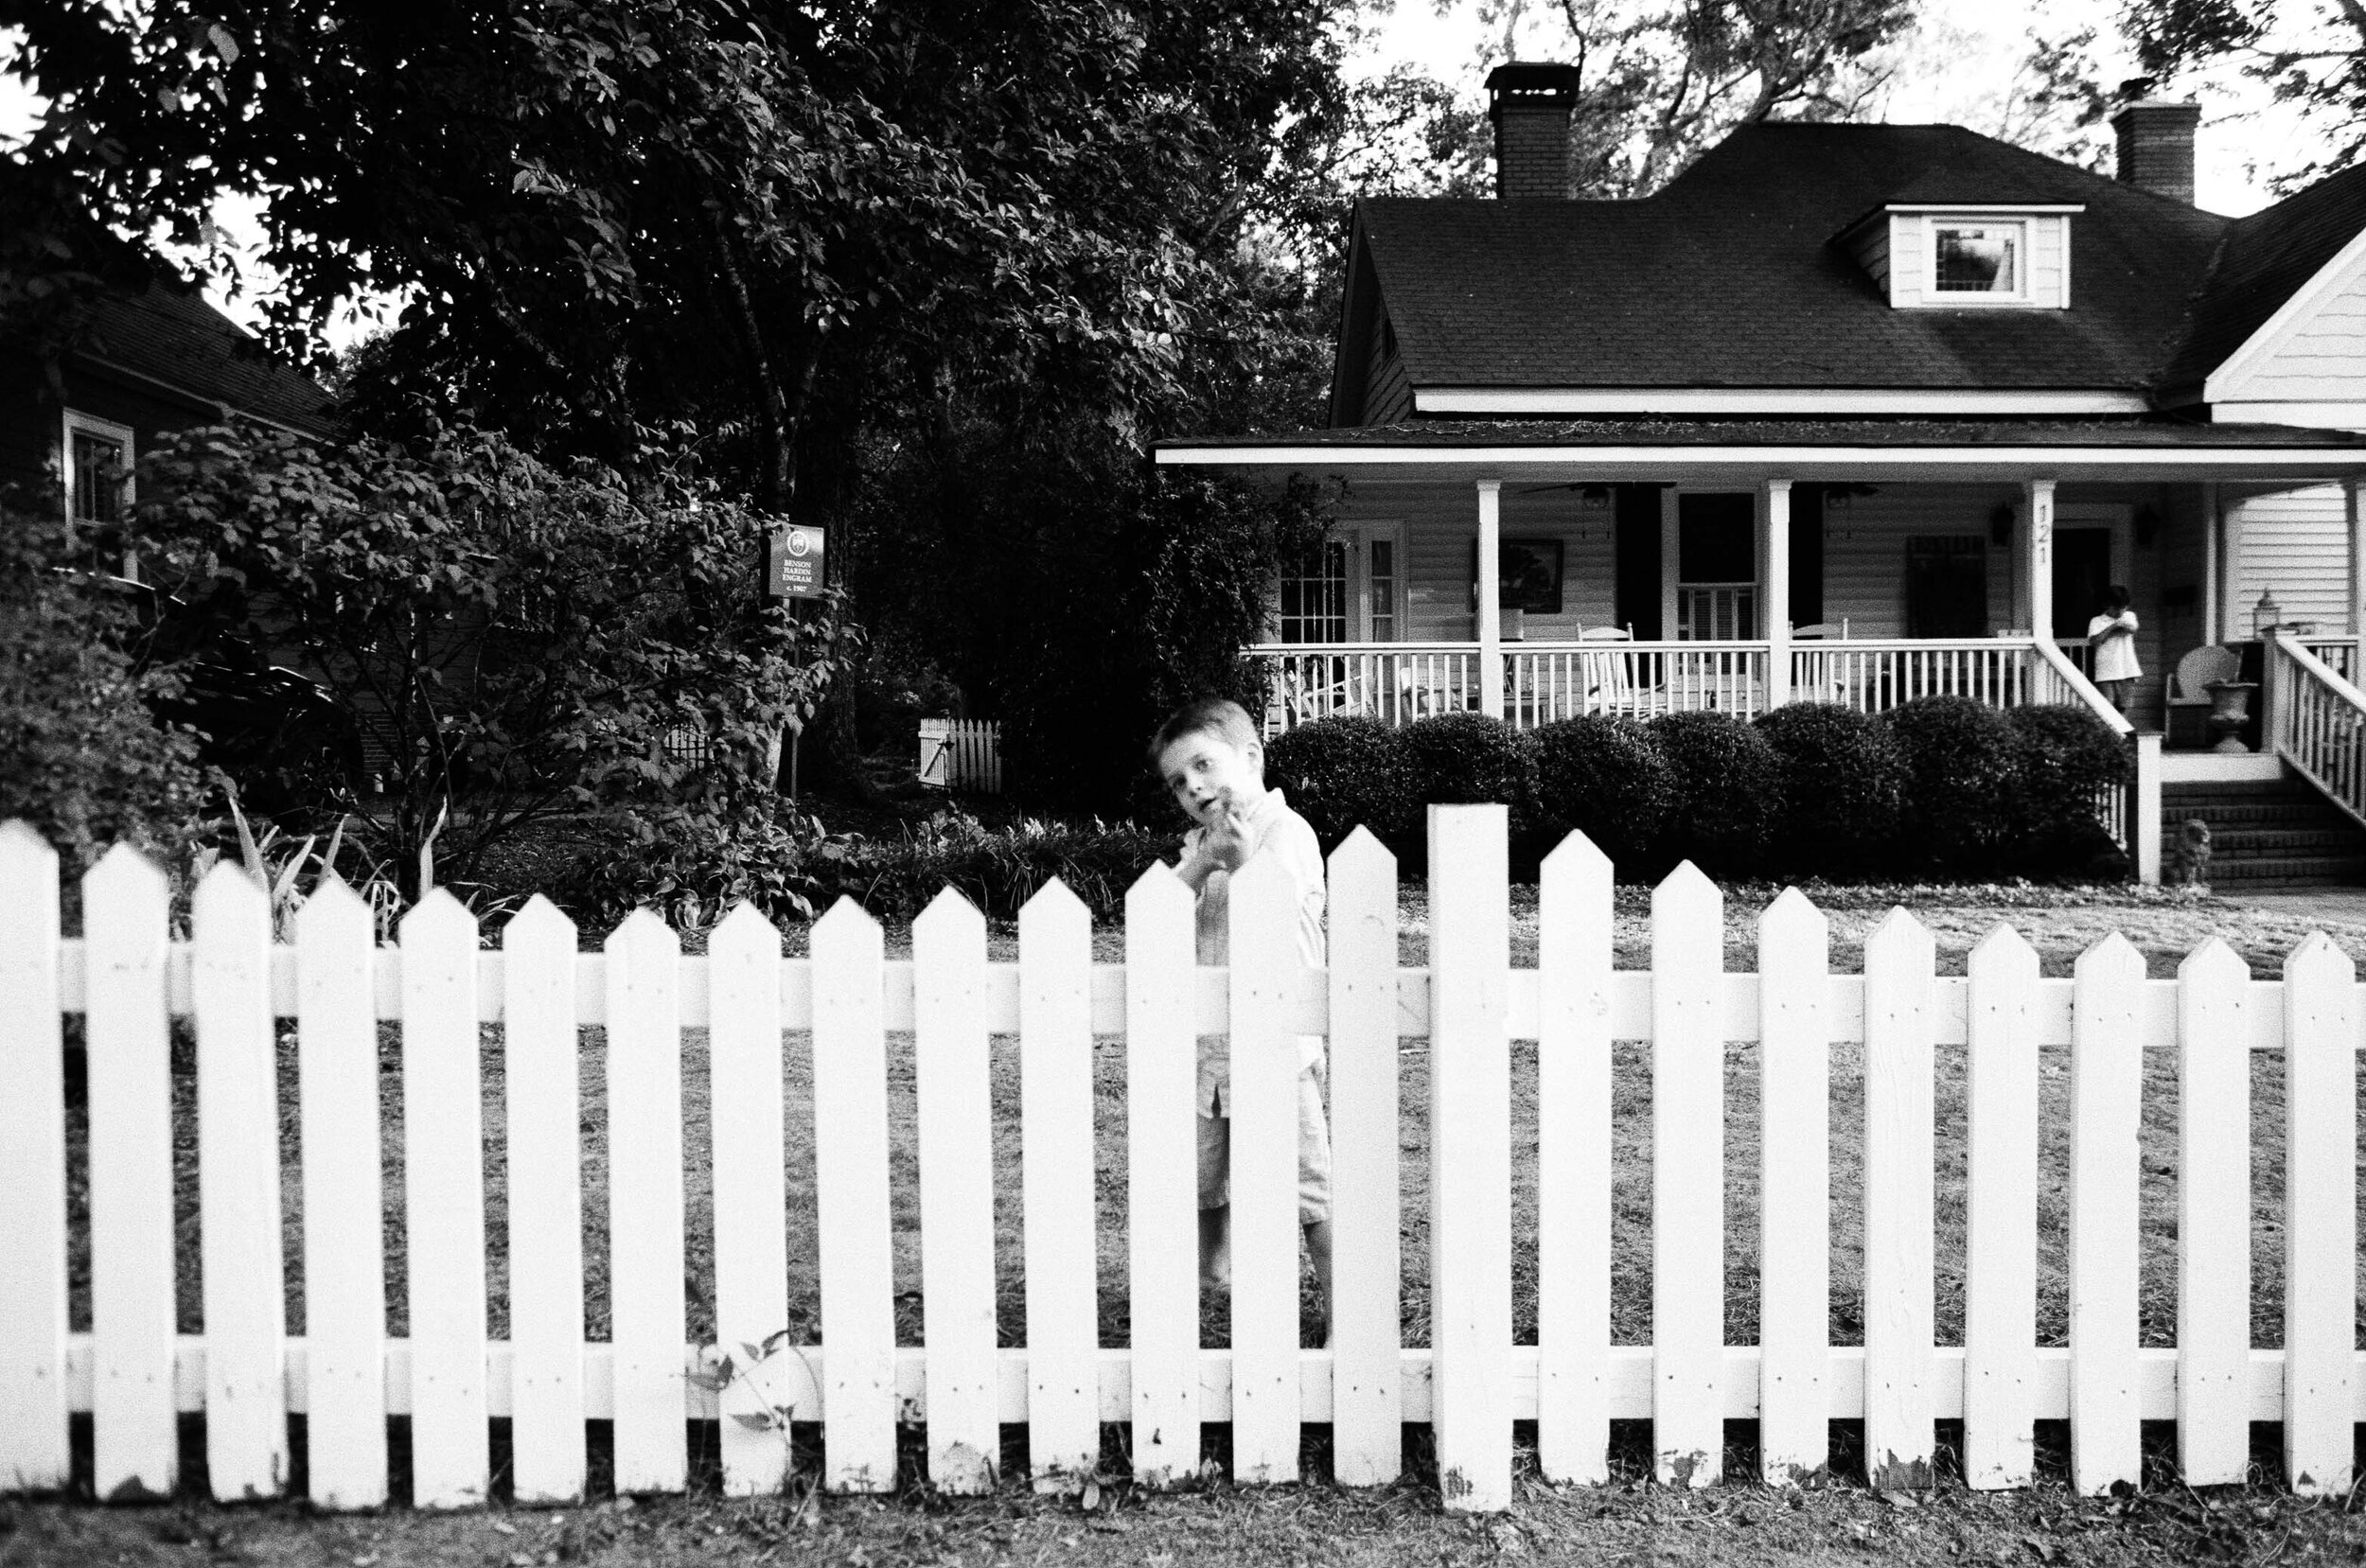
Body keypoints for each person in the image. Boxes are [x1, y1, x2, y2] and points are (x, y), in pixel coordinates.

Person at [1149, 696, 1334, 1334]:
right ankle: (1214, 1272)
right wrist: (1203, 860)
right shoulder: (1198, 843)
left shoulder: (1289, 831)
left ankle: (1341, 1311)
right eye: (1178, 780)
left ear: (1251, 756)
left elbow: (1279, 912)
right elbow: (1156, 917)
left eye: (1203, 764)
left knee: (1309, 1193)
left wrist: (1243, 855)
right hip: (1213, 1048)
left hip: (1281, 1048)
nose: (1193, 785)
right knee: (1206, 1175)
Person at [2087, 585, 2141, 713]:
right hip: (2106, 669)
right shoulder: (2097, 621)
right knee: (2107, 703)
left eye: (2124, 608)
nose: (2121, 612)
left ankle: (2123, 731)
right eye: (2117, 608)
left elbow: (2131, 629)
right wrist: (2113, 627)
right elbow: (2094, 641)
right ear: (2107, 605)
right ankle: (2110, 731)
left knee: (2124, 704)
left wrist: (2106, 635)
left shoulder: (2129, 616)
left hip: (2127, 668)